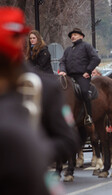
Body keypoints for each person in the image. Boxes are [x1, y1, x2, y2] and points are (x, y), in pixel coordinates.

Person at [0, 6, 52, 194]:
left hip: (44, 75)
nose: (30, 40)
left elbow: (42, 67)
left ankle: (86, 113)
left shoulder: (44, 51)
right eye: (28, 38)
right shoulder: (29, 53)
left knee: (83, 88)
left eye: (32, 38)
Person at [59, 28, 101, 124]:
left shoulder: (86, 46)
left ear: (81, 36)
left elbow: (96, 58)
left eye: (75, 34)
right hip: (69, 76)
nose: (73, 36)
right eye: (72, 35)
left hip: (82, 76)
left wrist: (88, 71)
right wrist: (62, 70)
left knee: (84, 91)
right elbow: (62, 61)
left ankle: (88, 116)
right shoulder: (68, 50)